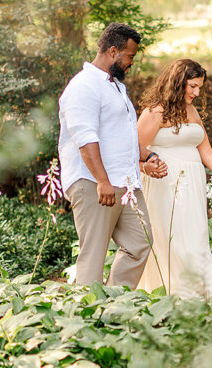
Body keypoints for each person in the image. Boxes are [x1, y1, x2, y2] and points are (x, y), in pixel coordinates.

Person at [57, 22, 168, 287]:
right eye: (130, 56)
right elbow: (85, 138)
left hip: (125, 182)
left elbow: (121, 137)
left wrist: (146, 157)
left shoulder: (115, 86)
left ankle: (113, 304)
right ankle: (85, 316)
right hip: (94, 182)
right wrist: (103, 181)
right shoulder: (83, 86)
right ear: (113, 51)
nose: (132, 63)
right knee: (93, 255)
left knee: (139, 242)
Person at [136, 58, 212, 300]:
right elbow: (133, 151)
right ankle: (177, 298)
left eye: (200, 87)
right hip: (164, 186)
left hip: (193, 187)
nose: (197, 93)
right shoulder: (155, 111)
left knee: (196, 243)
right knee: (175, 243)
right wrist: (147, 168)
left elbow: (207, 152)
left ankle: (201, 297)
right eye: (193, 86)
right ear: (177, 83)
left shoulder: (192, 111)